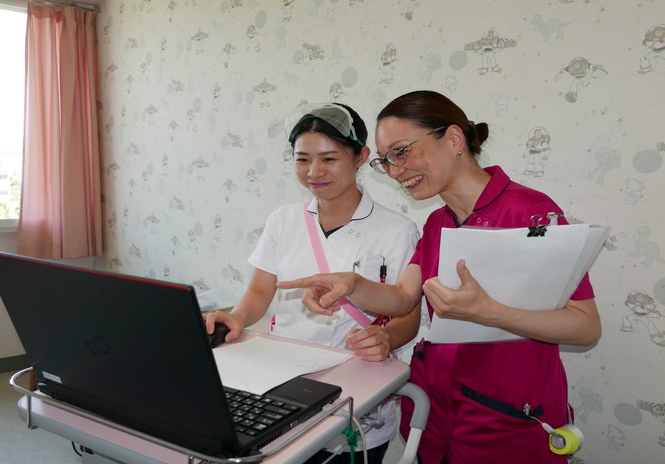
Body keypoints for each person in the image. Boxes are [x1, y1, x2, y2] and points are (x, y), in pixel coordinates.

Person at [277, 91, 602, 464]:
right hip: (435, 412)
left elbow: (585, 327)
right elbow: (402, 297)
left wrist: (489, 311)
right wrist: (351, 284)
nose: (395, 171)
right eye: (386, 161)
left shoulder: (531, 213)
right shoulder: (438, 223)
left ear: (453, 139)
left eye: (402, 152)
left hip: (505, 420)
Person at [204, 102, 422, 464]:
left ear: (360, 157)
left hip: (358, 392)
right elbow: (260, 291)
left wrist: (386, 339)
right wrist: (238, 317)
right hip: (282, 383)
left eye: (329, 159)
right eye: (302, 159)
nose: (313, 172)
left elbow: (408, 316)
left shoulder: (398, 231)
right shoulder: (283, 220)